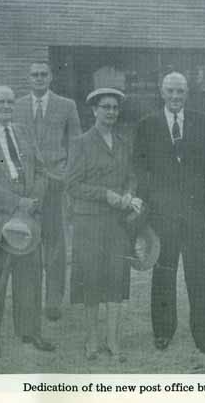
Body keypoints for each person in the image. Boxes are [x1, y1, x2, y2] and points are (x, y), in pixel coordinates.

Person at [0, 85, 53, 359]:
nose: (6, 107)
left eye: (10, 102)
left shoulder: (24, 132)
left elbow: (41, 169)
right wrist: (16, 203)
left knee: (30, 277)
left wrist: (33, 199)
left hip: (28, 218)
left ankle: (30, 331)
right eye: (0, 102)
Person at [134, 71, 205, 355]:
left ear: (187, 93)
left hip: (195, 212)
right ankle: (163, 331)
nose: (175, 97)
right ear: (161, 91)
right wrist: (152, 203)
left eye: (180, 91)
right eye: (170, 91)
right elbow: (140, 167)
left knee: (201, 273)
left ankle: (204, 335)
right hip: (162, 214)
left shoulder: (203, 122)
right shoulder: (147, 124)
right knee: (164, 273)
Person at [65, 88, 143, 361]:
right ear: (94, 110)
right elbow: (72, 184)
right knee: (92, 280)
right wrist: (106, 195)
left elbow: (132, 176)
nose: (111, 112)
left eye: (114, 108)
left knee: (116, 278)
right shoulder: (81, 142)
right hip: (90, 222)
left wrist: (130, 193)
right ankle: (92, 339)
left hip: (117, 223)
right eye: (105, 107)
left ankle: (113, 339)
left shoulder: (123, 142)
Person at [14, 60, 81, 321]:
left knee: (54, 243)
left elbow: (77, 144)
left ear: (50, 77)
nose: (39, 78)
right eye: (35, 75)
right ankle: (28, 300)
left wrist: (67, 175)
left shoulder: (67, 105)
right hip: (26, 185)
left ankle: (53, 301)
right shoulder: (16, 106)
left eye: (44, 74)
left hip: (55, 183)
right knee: (26, 240)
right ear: (28, 78)